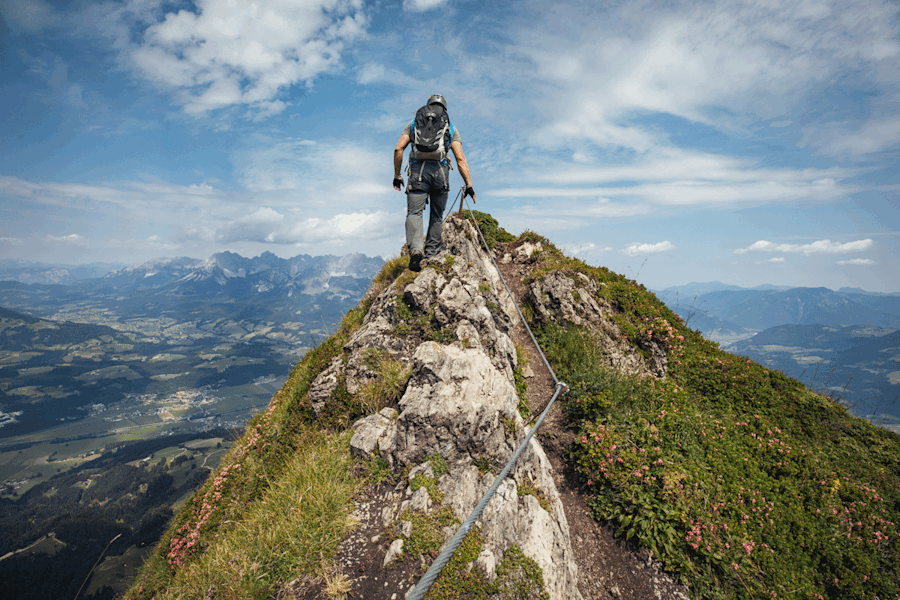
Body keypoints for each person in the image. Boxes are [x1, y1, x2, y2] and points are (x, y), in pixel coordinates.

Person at [393, 94, 476, 272]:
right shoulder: (451, 127)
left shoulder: (414, 124)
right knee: (437, 216)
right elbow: (460, 159)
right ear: (444, 109)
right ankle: (431, 255)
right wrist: (468, 184)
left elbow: (398, 148)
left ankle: (415, 252)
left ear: (427, 106)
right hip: (441, 174)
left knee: (414, 213)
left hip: (418, 173)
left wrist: (397, 174)